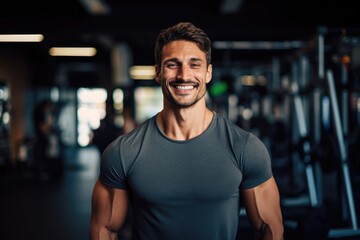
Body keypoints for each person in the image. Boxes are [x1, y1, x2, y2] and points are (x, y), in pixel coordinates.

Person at [89, 22, 284, 240]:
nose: (184, 75)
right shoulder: (123, 152)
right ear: (158, 72)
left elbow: (270, 229)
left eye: (195, 65)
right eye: (173, 64)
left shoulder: (245, 148)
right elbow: (104, 229)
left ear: (208, 73)